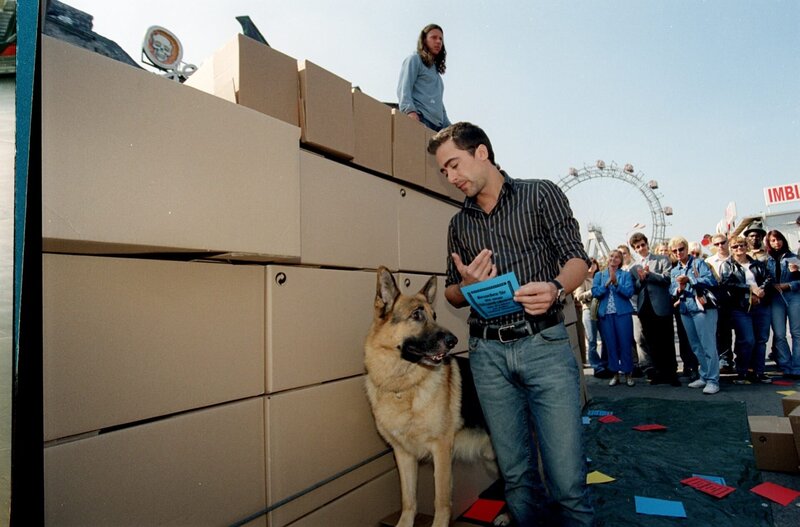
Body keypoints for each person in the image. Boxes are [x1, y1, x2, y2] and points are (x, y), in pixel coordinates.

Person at [429, 122, 593, 526]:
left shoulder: (540, 194)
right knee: (516, 477)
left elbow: (577, 259)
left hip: (545, 348)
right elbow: (450, 293)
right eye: (444, 172)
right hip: (487, 356)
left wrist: (556, 287)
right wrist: (465, 286)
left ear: (481, 152)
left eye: (454, 165)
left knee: (567, 480)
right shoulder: (459, 224)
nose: (451, 178)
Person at [628, 232, 681, 386]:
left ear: (647, 244)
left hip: (661, 305)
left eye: (643, 245)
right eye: (637, 247)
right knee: (652, 341)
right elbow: (634, 289)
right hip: (644, 307)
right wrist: (641, 280)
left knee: (666, 340)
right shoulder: (633, 267)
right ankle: (658, 372)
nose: (641, 248)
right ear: (634, 249)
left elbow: (667, 278)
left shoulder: (662, 259)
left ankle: (671, 373)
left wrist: (649, 275)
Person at [669, 236, 721, 394]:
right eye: (675, 251)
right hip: (686, 308)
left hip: (703, 307)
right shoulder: (674, 270)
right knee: (696, 345)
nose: (678, 253)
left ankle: (713, 380)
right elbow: (672, 290)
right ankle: (704, 375)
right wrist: (679, 288)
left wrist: (690, 279)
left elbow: (711, 281)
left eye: (681, 249)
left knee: (708, 344)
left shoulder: (699, 263)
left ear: (686, 249)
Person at [719, 236, 772, 384]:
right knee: (747, 340)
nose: (738, 249)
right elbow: (727, 283)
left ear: (746, 246)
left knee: (761, 340)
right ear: (731, 248)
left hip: (761, 305)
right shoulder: (727, 265)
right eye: (735, 246)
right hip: (740, 307)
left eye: (741, 245)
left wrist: (761, 290)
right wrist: (749, 290)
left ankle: (759, 372)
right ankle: (742, 371)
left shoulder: (757, 264)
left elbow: (768, 278)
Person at [592, 250, 636, 387]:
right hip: (606, 315)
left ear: (620, 260)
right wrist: (606, 284)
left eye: (617, 257)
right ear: (608, 259)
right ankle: (615, 374)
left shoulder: (625, 275)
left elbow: (629, 292)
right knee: (610, 345)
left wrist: (616, 284)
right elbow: (595, 292)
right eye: (611, 256)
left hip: (622, 314)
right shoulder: (599, 275)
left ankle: (628, 374)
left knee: (625, 344)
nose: (614, 259)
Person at [397, 24, 451, 131]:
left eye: (441, 39)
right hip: (421, 119)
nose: (438, 41)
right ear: (424, 40)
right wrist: (409, 111)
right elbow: (404, 88)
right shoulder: (415, 60)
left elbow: (440, 106)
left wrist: (450, 129)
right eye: (434, 37)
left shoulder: (438, 77)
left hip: (438, 127)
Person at [765, 229, 800, 379]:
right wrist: (770, 285)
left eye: (778, 239)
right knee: (779, 334)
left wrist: (789, 285)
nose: (776, 243)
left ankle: (797, 366)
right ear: (769, 243)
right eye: (772, 240)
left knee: (797, 333)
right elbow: (762, 280)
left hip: (793, 296)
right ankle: (785, 365)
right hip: (775, 299)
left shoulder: (794, 258)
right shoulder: (766, 260)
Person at [705, 234, 735, 374]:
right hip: (720, 302)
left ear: (727, 242)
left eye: (722, 243)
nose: (720, 246)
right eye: (716, 244)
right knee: (722, 332)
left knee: (744, 334)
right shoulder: (709, 261)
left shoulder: (736, 257)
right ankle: (725, 361)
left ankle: (743, 361)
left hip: (739, 299)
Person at [575, 259, 609, 377]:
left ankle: (605, 364)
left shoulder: (600, 278)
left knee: (606, 339)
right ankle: (596, 366)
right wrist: (592, 292)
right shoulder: (582, 281)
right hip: (589, 311)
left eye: (593, 264)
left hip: (602, 311)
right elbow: (578, 296)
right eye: (589, 264)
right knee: (592, 340)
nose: (591, 266)